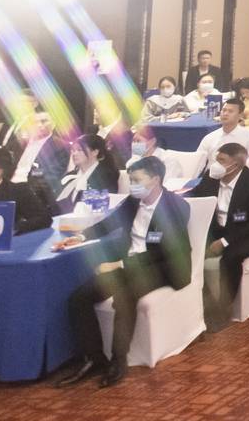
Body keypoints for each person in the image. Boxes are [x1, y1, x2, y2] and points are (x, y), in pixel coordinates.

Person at [55, 157, 193, 388]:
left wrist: (119, 264)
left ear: (155, 179)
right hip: (130, 264)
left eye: (137, 180)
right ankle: (94, 358)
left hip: (162, 267)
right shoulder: (133, 201)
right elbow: (108, 223)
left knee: (124, 296)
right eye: (131, 180)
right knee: (79, 298)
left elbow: (163, 252)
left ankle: (119, 361)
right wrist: (80, 236)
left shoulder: (175, 207)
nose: (132, 185)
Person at [188, 142, 249, 330]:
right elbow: (198, 199)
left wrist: (225, 241)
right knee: (191, 252)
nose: (216, 164)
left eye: (221, 160)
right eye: (216, 159)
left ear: (235, 165)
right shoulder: (211, 177)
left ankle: (222, 310)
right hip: (221, 228)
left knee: (231, 257)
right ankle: (205, 304)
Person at [195, 97, 249, 166]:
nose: (225, 114)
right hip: (212, 172)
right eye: (224, 110)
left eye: (230, 111)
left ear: (240, 115)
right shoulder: (210, 137)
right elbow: (198, 160)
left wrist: (236, 165)